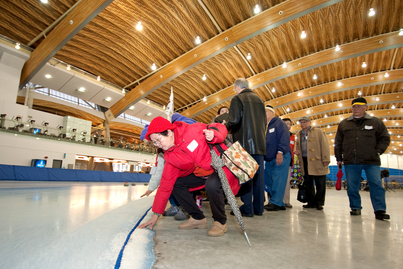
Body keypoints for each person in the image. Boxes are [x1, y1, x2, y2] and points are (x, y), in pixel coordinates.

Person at [139, 116, 240, 237]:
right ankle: (198, 218)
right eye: (154, 142)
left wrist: (214, 134)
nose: (158, 145)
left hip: (220, 165)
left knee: (212, 185)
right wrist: (156, 214)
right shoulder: (170, 156)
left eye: (158, 140)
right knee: (176, 184)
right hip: (202, 173)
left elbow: (220, 127)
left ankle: (220, 222)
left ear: (169, 132)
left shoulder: (193, 130)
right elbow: (165, 185)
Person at [335, 97, 391, 220]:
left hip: (371, 160)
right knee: (352, 185)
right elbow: (338, 142)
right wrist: (339, 158)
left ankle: (380, 210)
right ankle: (355, 207)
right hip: (351, 161)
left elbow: (385, 138)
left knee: (376, 184)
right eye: (354, 106)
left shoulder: (376, 122)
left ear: (366, 107)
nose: (356, 108)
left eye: (359, 106)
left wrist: (378, 151)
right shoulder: (344, 124)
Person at [140, 113, 197, 220]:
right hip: (175, 174)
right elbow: (159, 171)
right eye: (150, 143)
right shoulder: (162, 150)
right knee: (169, 184)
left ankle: (185, 208)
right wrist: (151, 188)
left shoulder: (174, 143)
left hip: (192, 172)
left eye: (150, 142)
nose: (152, 145)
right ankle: (176, 206)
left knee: (182, 185)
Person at [225, 78, 267, 217]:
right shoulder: (260, 100)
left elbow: (234, 120)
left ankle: (247, 208)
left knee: (246, 175)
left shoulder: (238, 98)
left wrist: (224, 127)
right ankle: (259, 208)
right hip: (259, 144)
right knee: (259, 178)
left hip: (244, 144)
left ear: (237, 87)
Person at [294, 116, 330, 210]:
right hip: (305, 161)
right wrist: (298, 152)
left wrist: (326, 158)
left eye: (305, 122)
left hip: (318, 160)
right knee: (308, 182)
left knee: (320, 183)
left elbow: (325, 145)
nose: (303, 124)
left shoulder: (318, 131)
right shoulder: (299, 134)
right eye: (301, 122)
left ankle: (319, 203)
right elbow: (299, 147)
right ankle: (311, 202)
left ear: (310, 122)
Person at [263, 106, 291, 211]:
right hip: (269, 157)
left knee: (279, 179)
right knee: (270, 180)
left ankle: (276, 202)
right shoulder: (266, 126)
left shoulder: (279, 123)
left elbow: (285, 136)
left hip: (280, 155)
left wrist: (280, 152)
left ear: (272, 113)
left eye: (265, 111)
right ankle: (278, 202)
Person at [282, 118, 295, 208]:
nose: (288, 125)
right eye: (286, 123)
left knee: (286, 182)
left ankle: (286, 201)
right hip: (279, 160)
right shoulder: (279, 134)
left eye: (289, 124)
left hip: (289, 162)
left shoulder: (292, 136)